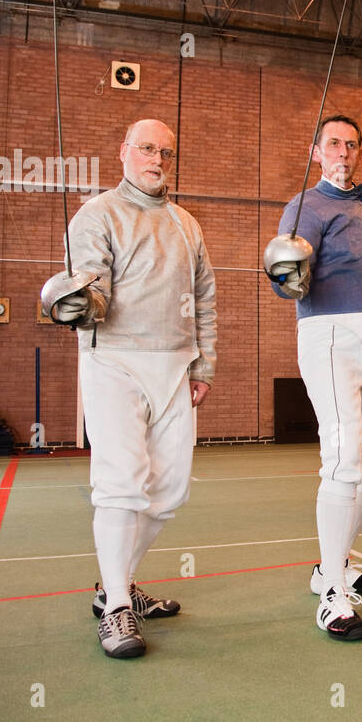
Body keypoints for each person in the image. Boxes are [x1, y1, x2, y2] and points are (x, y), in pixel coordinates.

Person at [49, 118, 217, 659]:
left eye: (166, 151)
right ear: (123, 151)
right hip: (114, 363)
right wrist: (79, 304)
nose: (156, 158)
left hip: (175, 366)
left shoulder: (187, 224)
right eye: (146, 148)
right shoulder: (96, 214)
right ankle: (118, 605)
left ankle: (112, 585)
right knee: (121, 483)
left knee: (169, 493)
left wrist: (203, 366)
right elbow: (93, 289)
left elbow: (205, 299)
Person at [268, 114, 362, 641]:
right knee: (346, 458)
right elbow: (289, 279)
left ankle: (333, 563)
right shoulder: (307, 206)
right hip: (329, 336)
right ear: (316, 151)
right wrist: (286, 274)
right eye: (334, 143)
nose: (343, 152)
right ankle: (332, 593)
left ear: (359, 152)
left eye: (351, 144)